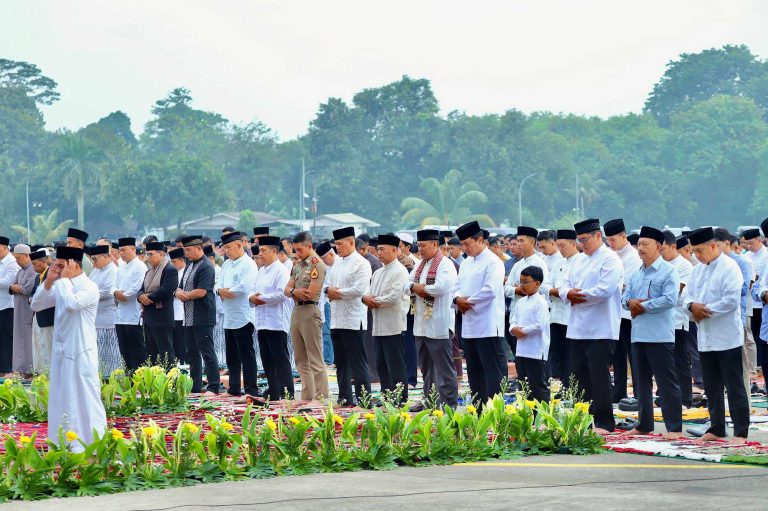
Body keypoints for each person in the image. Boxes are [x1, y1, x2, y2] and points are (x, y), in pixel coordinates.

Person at [30, 246, 106, 451]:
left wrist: (62, 280)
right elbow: (36, 305)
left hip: (81, 352)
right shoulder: (61, 284)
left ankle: (92, 444)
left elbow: (73, 304)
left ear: (74, 265)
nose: (57, 269)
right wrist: (48, 281)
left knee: (85, 398)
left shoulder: (88, 287)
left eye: (61, 265)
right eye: (55, 265)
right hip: (62, 351)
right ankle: (63, 442)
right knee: (62, 396)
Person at [683, 227, 749, 443]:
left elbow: (731, 301)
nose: (697, 256)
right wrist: (692, 306)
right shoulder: (697, 270)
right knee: (711, 386)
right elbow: (685, 297)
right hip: (705, 337)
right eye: (694, 252)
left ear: (713, 246)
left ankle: (741, 432)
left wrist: (705, 310)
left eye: (700, 251)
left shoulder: (730, 267)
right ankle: (717, 427)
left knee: (734, 385)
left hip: (726, 337)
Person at [559, 218, 623, 434]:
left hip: (601, 328)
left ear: (598, 236)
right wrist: (568, 293)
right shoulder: (578, 260)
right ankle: (583, 418)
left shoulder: (610, 259)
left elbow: (605, 290)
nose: (582, 244)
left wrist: (579, 296)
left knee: (599, 376)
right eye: (579, 241)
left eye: (585, 240)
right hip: (577, 327)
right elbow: (563, 283)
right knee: (578, 375)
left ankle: (604, 422)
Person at [621, 226, 682, 438]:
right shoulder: (635, 273)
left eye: (645, 244)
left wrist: (642, 306)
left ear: (659, 246)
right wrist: (631, 303)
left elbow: (670, 299)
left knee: (666, 383)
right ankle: (644, 424)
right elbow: (624, 298)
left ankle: (674, 427)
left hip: (660, 336)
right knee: (641, 383)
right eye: (639, 244)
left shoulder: (668, 271)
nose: (640, 249)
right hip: (638, 335)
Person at [452, 221, 506, 407]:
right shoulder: (466, 263)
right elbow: (456, 287)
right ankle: (479, 410)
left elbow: (490, 290)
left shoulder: (494, 262)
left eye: (467, 244)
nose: (465, 248)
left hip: (488, 324)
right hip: (469, 325)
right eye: (463, 245)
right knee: (474, 372)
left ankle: (495, 410)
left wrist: (467, 301)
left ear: (481, 240)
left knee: (491, 372)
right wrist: (457, 299)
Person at [407, 229, 459, 411]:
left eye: (423, 245)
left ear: (435, 245)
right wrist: (416, 286)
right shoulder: (420, 265)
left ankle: (449, 405)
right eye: (419, 245)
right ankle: (430, 402)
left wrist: (419, 288)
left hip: (439, 325)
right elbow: (406, 285)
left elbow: (442, 288)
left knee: (444, 369)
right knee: (427, 369)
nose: (419, 249)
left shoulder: (445, 264)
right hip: (421, 326)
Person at [325, 227, 372, 406]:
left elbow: (360, 290)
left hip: (353, 320)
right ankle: (345, 398)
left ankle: (364, 399)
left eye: (340, 244)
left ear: (351, 243)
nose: (338, 247)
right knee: (341, 363)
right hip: (337, 320)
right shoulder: (337, 263)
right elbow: (328, 286)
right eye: (336, 244)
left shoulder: (362, 263)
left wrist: (337, 293)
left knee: (358, 363)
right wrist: (329, 291)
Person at [363, 234, 410, 404]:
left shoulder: (400, 271)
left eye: (383, 249)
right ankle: (387, 397)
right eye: (378, 249)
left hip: (394, 325)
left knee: (395, 365)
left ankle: (400, 399)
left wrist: (372, 301)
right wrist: (366, 298)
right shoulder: (378, 273)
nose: (379, 252)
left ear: (395, 250)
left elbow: (394, 298)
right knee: (381, 364)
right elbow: (368, 293)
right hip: (378, 325)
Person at [285, 231, 328, 402]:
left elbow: (310, 294)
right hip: (297, 311)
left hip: (310, 311)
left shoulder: (317, 265)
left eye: (300, 250)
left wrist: (293, 291)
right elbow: (286, 290)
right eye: (295, 250)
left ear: (309, 246)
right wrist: (295, 291)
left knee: (315, 359)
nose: (297, 254)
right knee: (300, 359)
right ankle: (307, 396)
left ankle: (321, 397)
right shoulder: (298, 265)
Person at [215, 231, 259, 397]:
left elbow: (244, 287)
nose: (226, 251)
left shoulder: (248, 264)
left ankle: (251, 390)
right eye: (224, 248)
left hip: (243, 315)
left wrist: (227, 292)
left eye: (229, 247)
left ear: (240, 245)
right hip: (229, 316)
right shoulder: (226, 264)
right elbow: (217, 284)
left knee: (246, 355)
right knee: (231, 356)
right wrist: (220, 290)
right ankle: (234, 389)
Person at [713, 228, 754, 404]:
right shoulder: (712, 264)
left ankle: (744, 401)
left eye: (717, 245)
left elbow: (743, 289)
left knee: (740, 362)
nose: (714, 248)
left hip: (738, 316)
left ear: (727, 243)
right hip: (716, 318)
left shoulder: (741, 262)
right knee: (718, 363)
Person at [603, 218, 642, 403]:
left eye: (613, 240)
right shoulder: (611, 255)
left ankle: (639, 393)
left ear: (623, 236)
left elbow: (625, 284)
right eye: (608, 240)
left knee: (632, 354)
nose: (610, 244)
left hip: (628, 313)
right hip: (614, 312)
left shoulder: (632, 257)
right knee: (617, 354)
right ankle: (619, 392)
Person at [250, 235, 292, 401]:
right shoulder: (261, 271)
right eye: (259, 250)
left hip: (276, 321)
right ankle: (274, 391)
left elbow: (282, 294)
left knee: (280, 358)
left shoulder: (281, 271)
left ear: (274, 251)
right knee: (267, 359)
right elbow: (253, 290)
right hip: (262, 321)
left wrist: (261, 298)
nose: (260, 254)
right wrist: (252, 298)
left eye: (263, 250)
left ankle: (287, 392)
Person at [540, 229, 584, 387]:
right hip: (556, 315)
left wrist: (560, 292)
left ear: (574, 244)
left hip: (572, 316)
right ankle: (565, 386)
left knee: (572, 356)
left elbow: (577, 290)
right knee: (558, 355)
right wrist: (559, 292)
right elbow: (544, 286)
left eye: (563, 246)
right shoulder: (559, 262)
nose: (560, 249)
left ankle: (573, 387)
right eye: (558, 246)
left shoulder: (581, 261)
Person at [177, 235, 220, 394]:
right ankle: (195, 386)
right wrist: (178, 292)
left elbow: (202, 292)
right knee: (192, 353)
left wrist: (184, 295)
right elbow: (179, 287)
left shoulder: (206, 266)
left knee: (207, 352)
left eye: (188, 250)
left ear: (198, 248)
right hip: (188, 317)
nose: (186, 253)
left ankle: (214, 386)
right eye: (185, 250)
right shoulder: (189, 266)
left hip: (202, 316)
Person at [661, 230, 694, 407]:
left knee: (680, 361)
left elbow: (675, 292)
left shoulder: (683, 265)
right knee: (664, 362)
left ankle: (685, 398)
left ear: (673, 247)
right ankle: (667, 396)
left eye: (663, 249)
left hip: (677, 320)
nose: (660, 252)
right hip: (660, 321)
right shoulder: (660, 264)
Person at [504, 226, 548, 359]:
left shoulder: (540, 263)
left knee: (533, 353)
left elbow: (541, 288)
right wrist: (519, 289)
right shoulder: (517, 265)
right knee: (517, 350)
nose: (518, 244)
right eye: (517, 241)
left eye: (522, 241)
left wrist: (521, 288)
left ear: (532, 243)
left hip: (532, 315)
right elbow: (506, 288)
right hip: (516, 312)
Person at [509, 265, 550, 403]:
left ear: (537, 283)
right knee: (524, 386)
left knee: (537, 385)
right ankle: (528, 417)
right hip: (521, 351)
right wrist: (513, 329)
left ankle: (543, 417)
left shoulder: (541, 302)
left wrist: (522, 331)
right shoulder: (520, 302)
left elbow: (539, 325)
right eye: (521, 282)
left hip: (536, 351)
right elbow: (513, 321)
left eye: (526, 282)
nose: (522, 285)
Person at [139, 242, 179, 367]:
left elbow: (167, 290)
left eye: (150, 254)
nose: (148, 257)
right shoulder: (149, 271)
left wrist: (148, 298)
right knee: (152, 353)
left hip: (162, 317)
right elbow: (141, 289)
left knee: (165, 352)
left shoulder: (170, 269)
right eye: (147, 254)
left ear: (161, 254)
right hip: (149, 317)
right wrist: (140, 297)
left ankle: (171, 382)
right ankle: (156, 383)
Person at [114, 237, 148, 371]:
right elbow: (114, 286)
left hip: (133, 315)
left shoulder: (140, 266)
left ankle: (144, 380)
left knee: (138, 351)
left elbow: (137, 288)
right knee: (125, 351)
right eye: (120, 250)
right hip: (120, 315)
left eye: (124, 250)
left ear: (133, 249)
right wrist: (117, 293)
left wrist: (125, 295)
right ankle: (130, 381)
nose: (121, 253)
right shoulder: (121, 266)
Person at [89, 244, 121, 377]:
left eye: (96, 259)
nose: (94, 262)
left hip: (109, 316)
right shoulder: (94, 271)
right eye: (92, 260)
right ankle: (100, 376)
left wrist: (90, 295)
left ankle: (114, 377)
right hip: (96, 316)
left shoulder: (112, 270)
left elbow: (108, 292)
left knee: (111, 350)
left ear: (106, 256)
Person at [677, 235, 704, 387]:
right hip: (687, 312)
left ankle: (700, 379)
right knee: (690, 348)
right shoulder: (694, 266)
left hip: (695, 314)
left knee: (694, 348)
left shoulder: (692, 265)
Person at [9, 244, 36, 376]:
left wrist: (17, 287)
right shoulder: (20, 271)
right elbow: (12, 286)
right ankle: (19, 369)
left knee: (27, 340)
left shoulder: (33, 270)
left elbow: (27, 289)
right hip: (18, 310)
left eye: (18, 258)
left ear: (27, 256)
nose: (17, 261)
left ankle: (28, 370)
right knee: (18, 339)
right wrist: (15, 287)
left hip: (27, 310)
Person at [29, 249, 54, 373]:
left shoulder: (51, 275)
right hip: (37, 315)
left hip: (48, 317)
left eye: (34, 263)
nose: (32, 266)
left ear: (43, 261)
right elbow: (34, 293)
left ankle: (48, 373)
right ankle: (40, 373)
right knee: (38, 346)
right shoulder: (38, 277)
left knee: (48, 348)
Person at [0, 236, 20, 376]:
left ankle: (7, 370)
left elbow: (8, 282)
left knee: (6, 340)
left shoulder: (12, 262)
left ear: (3, 247)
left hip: (7, 306)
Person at [317, 241, 335, 365]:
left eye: (324, 258)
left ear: (330, 255)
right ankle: (328, 358)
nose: (323, 261)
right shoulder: (325, 266)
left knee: (329, 332)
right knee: (326, 331)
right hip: (326, 301)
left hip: (334, 301)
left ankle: (329, 359)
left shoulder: (339, 264)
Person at [168, 248, 187, 364]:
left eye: (174, 262)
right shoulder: (173, 272)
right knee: (174, 342)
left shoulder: (186, 272)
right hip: (172, 312)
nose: (172, 264)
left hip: (182, 312)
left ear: (181, 260)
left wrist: (174, 292)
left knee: (182, 343)